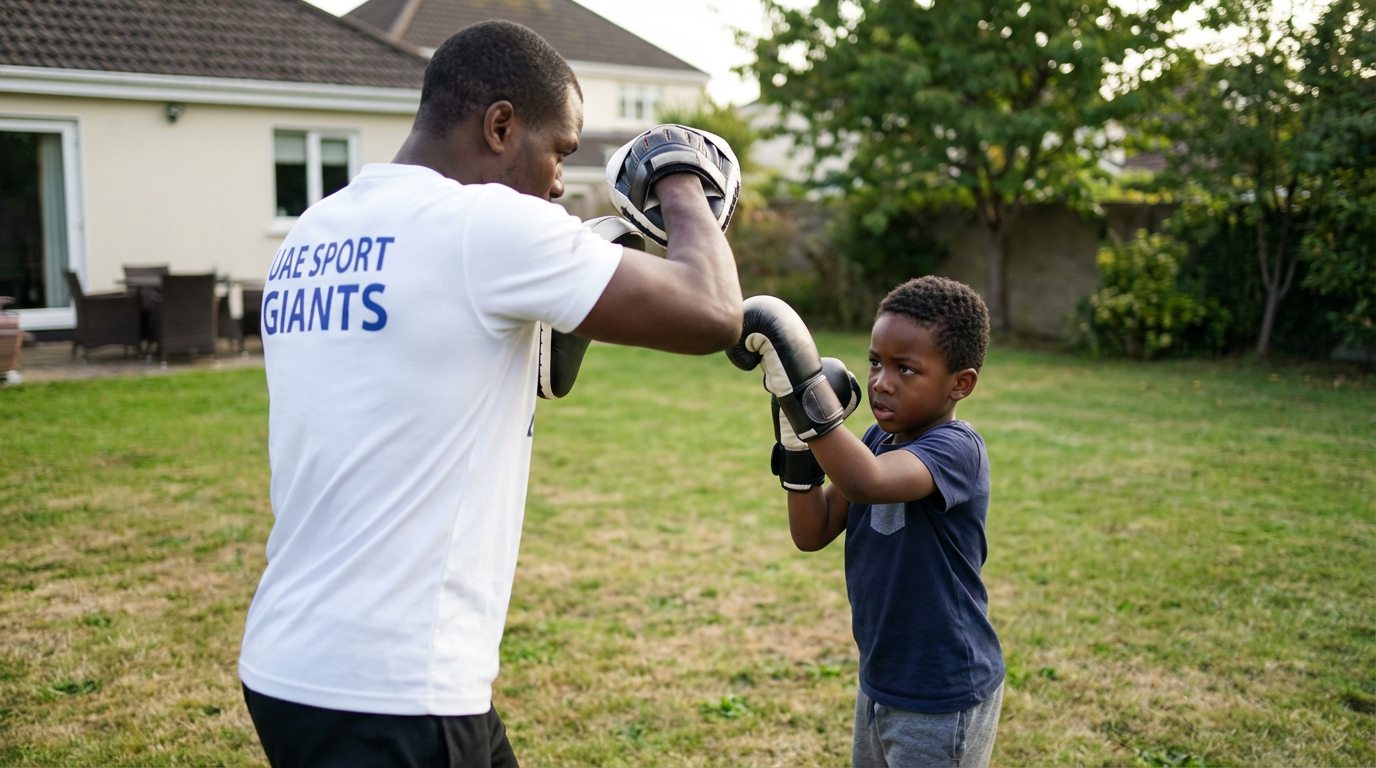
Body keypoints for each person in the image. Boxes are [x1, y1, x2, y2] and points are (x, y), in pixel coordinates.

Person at [238, 20, 742, 768]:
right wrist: (678, 173)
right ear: (501, 125)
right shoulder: (482, 225)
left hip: (289, 662)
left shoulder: (315, 233)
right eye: (561, 150)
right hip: (397, 688)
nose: (561, 181)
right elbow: (711, 310)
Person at [731, 277, 1003, 768]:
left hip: (942, 689)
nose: (881, 381)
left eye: (907, 369)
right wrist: (799, 452)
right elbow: (813, 531)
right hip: (882, 677)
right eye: (876, 361)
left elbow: (866, 483)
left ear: (960, 383)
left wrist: (804, 391)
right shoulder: (877, 438)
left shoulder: (958, 449)